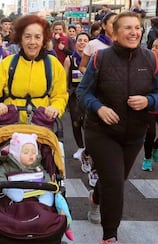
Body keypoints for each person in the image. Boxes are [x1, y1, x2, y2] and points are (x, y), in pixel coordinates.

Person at [76, 12, 158, 244]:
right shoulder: (101, 57)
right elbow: (82, 92)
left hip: (134, 132)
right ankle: (109, 239)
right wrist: (99, 107)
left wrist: (149, 100)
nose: (134, 32)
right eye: (128, 28)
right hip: (101, 131)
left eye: (137, 28)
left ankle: (95, 197)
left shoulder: (151, 59)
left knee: (114, 181)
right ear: (115, 32)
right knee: (115, 181)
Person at [0, 15, 68, 124]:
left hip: (42, 124)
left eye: (37, 37)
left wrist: (55, 107)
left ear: (43, 40)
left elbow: (60, 95)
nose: (32, 42)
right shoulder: (8, 63)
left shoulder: (53, 64)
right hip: (10, 125)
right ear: (20, 39)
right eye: (27, 36)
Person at [0, 132, 74, 240]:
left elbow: (46, 177)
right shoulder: (7, 167)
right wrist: (4, 185)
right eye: (26, 152)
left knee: (48, 195)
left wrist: (49, 185)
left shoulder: (38, 167)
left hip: (37, 200)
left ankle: (45, 208)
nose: (31, 155)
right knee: (10, 196)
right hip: (15, 202)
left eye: (33, 152)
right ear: (16, 153)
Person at [78, 12, 117, 189]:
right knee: (96, 132)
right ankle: (93, 165)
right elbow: (82, 65)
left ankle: (91, 156)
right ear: (103, 26)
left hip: (116, 96)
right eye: (112, 23)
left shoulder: (124, 44)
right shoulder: (93, 45)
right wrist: (92, 76)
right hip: (95, 94)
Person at [63, 32, 90, 160]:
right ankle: (80, 147)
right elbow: (64, 79)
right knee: (76, 120)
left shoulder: (93, 58)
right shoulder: (69, 59)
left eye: (85, 40)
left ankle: (89, 148)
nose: (82, 43)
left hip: (89, 93)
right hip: (74, 93)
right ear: (76, 42)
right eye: (80, 40)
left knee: (88, 122)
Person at [141, 38, 158, 171]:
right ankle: (147, 158)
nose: (154, 49)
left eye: (157, 47)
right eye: (153, 46)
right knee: (150, 133)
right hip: (150, 104)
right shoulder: (147, 63)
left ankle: (156, 147)